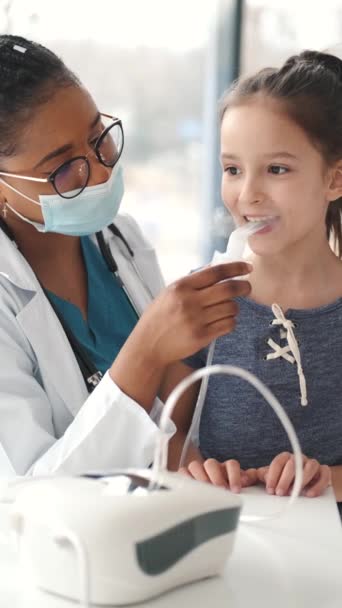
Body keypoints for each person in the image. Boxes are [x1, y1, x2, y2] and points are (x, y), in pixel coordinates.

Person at [0, 35, 251, 476]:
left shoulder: (121, 239)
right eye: (64, 169)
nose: (100, 171)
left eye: (99, 139)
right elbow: (31, 493)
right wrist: (146, 352)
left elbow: (170, 419)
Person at [171, 50, 342, 504]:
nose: (248, 195)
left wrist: (325, 478)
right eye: (232, 170)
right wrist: (197, 468)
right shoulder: (198, 301)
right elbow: (167, 444)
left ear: (335, 179)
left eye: (277, 169)